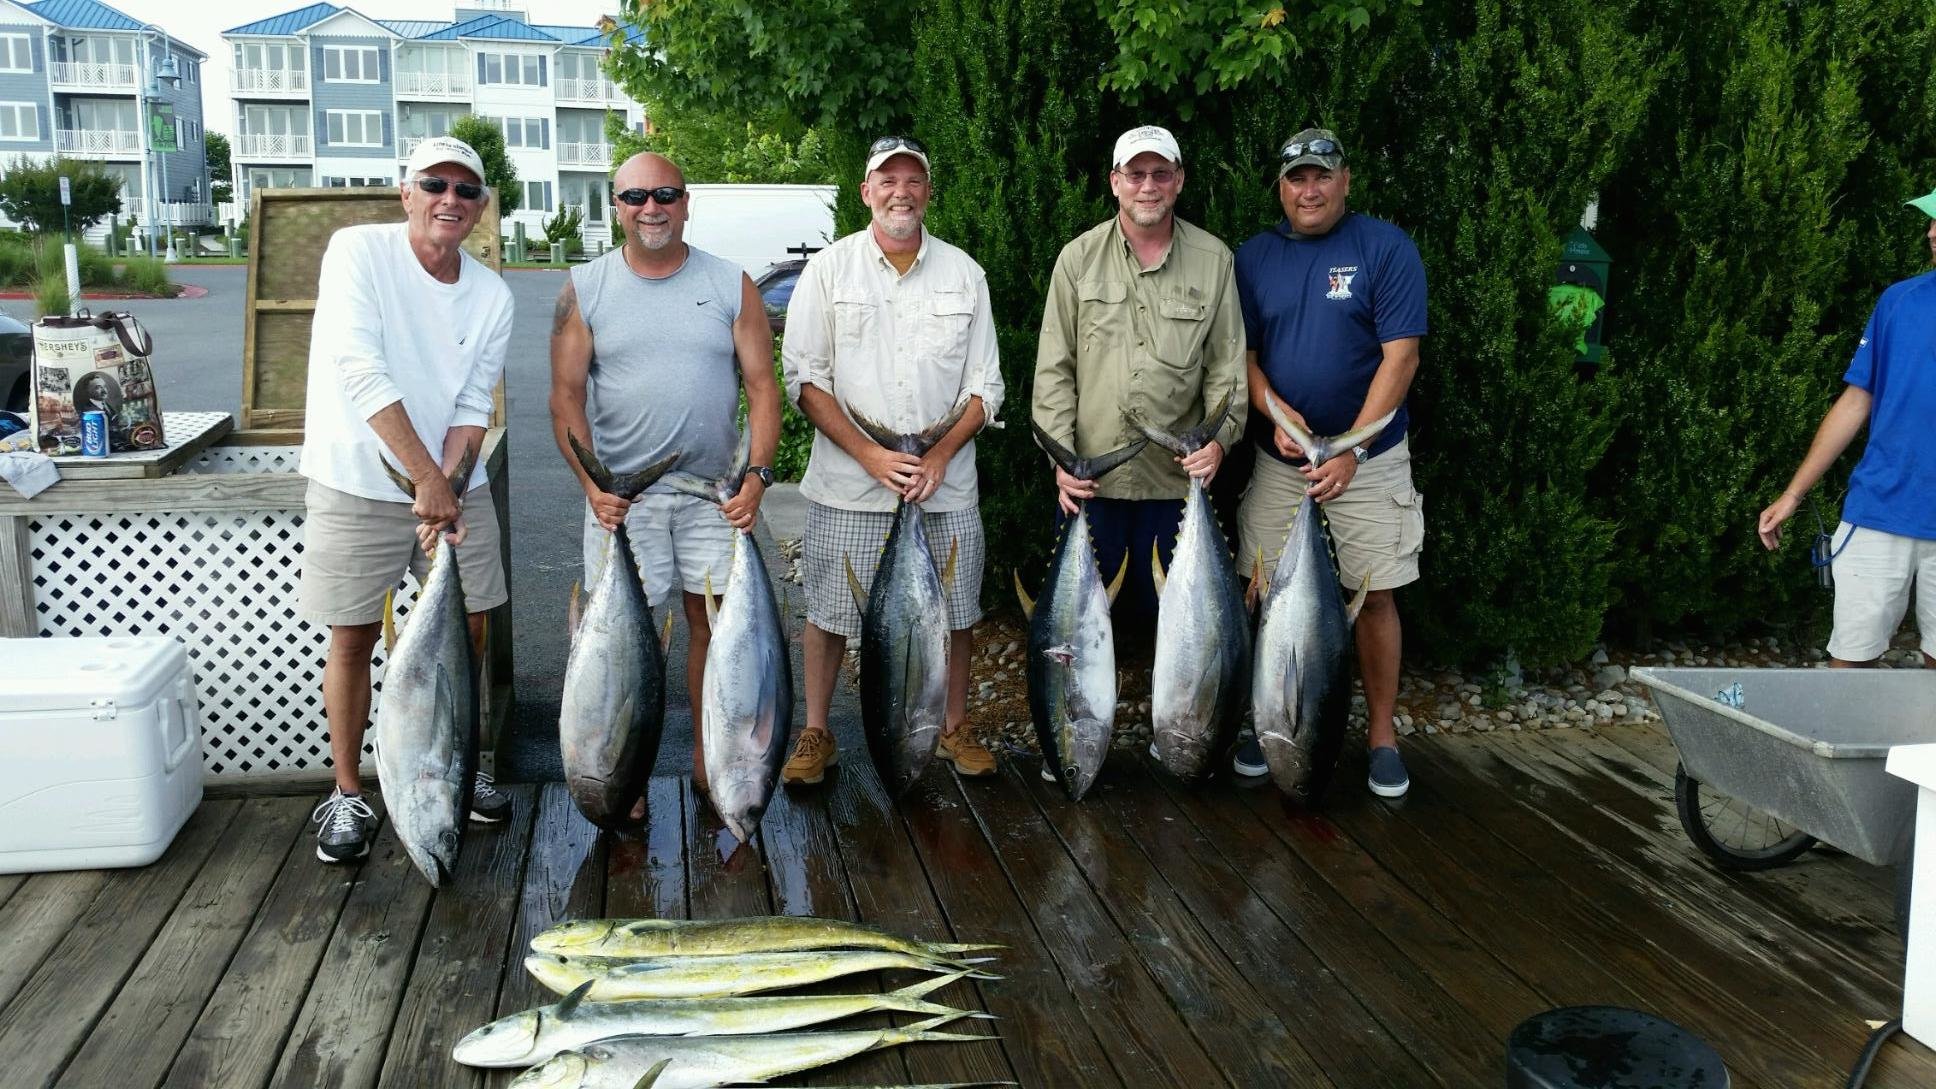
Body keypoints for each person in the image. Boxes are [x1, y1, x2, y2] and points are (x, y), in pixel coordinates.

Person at [298, 136, 516, 861]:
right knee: (353, 635)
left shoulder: (492, 294)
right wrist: (427, 481)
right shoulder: (358, 252)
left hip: (451, 483)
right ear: (406, 192)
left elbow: (473, 401)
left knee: (472, 628)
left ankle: (452, 768)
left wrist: (447, 484)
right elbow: (361, 370)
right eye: (434, 184)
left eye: (466, 190)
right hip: (358, 478)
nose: (450, 199)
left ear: (480, 206)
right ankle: (349, 791)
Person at [549, 152, 782, 793]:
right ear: (616, 206)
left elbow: (764, 388)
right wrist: (594, 486)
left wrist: (758, 476)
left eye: (665, 195)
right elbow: (565, 396)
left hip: (715, 498)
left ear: (685, 203)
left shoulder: (731, 284)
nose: (650, 208)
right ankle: (623, 775)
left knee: (716, 627)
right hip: (624, 503)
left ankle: (715, 762)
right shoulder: (584, 288)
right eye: (635, 197)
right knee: (623, 637)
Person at [780, 135, 1005, 785]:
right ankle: (817, 731)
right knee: (828, 613)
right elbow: (804, 379)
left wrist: (938, 454)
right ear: (866, 192)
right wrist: (871, 455)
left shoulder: (965, 274)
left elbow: (986, 387)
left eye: (912, 180)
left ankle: (952, 726)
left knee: (955, 614)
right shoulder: (829, 271)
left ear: (928, 192)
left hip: (945, 485)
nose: (900, 192)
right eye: (887, 180)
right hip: (849, 486)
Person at [1234, 127, 1428, 798]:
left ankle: (1381, 737)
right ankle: (1267, 723)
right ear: (1281, 188)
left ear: (1346, 180)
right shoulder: (1253, 257)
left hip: (1370, 460)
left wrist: (1352, 446)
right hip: (1279, 460)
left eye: (1322, 176)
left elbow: (1402, 356)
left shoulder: (1386, 248)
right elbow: (1243, 359)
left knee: (1375, 596)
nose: (1309, 190)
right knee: (1261, 593)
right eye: (1297, 179)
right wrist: (1277, 416)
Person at [1032, 123, 1246, 637]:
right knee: (1080, 632)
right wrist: (1061, 460)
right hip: (1091, 484)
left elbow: (1227, 368)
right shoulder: (1077, 259)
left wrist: (1218, 442)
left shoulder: (1214, 260)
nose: (1148, 186)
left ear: (1179, 180)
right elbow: (1054, 370)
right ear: (1115, 182)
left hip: (1175, 484)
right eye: (1135, 174)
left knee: (1179, 631)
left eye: (1160, 173)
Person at [1757, 189, 1936, 670]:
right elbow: (1857, 401)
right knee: (1850, 663)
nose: (1932, 233)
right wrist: (1793, 493)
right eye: (1932, 221)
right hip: (1879, 510)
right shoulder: (1898, 302)